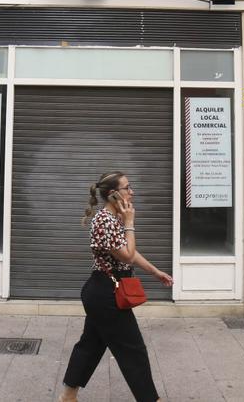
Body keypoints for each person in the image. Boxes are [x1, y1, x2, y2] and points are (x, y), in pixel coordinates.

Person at [61, 172, 173, 402]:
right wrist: (130, 223)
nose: (132, 192)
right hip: (106, 293)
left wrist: (155, 272)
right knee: (134, 350)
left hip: (104, 290)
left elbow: (131, 255)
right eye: (127, 188)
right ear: (113, 194)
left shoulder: (115, 218)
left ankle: (68, 397)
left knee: (90, 345)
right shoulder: (104, 221)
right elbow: (128, 254)